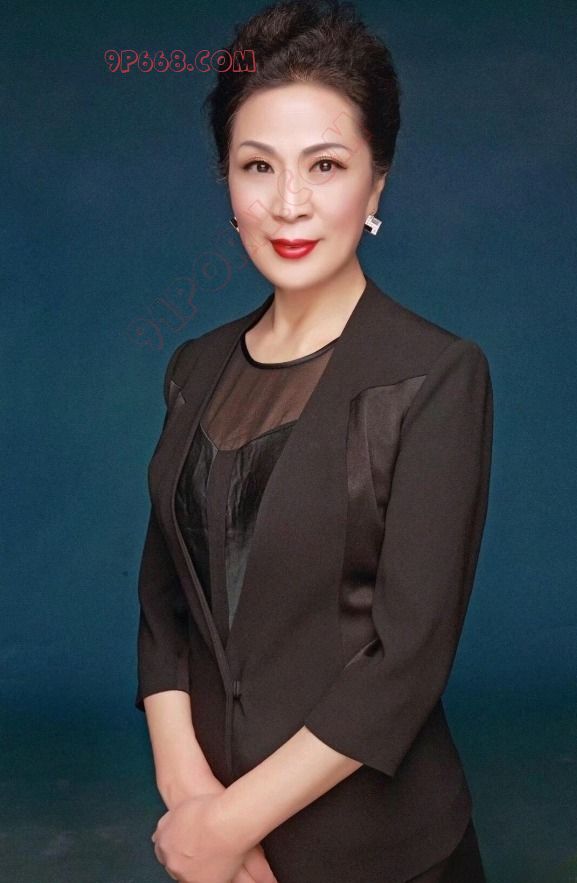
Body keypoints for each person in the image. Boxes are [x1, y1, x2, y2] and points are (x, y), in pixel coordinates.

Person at [134, 1, 493, 881]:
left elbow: (406, 658)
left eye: (325, 165)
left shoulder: (437, 374)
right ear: (226, 180)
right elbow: (164, 608)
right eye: (257, 166)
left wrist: (231, 824)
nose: (288, 204)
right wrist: (193, 805)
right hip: (213, 840)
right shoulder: (193, 365)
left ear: (375, 185)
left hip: (381, 850)